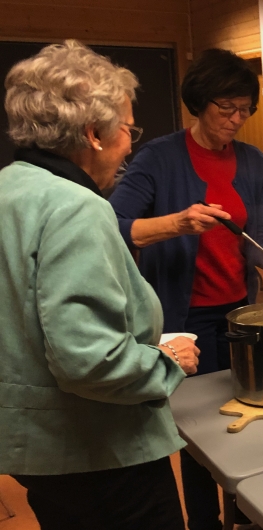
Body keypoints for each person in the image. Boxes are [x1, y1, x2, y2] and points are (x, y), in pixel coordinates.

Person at [0, 40, 199, 530]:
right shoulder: (76, 207)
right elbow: (89, 360)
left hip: (35, 446)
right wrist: (165, 361)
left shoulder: (10, 187)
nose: (130, 144)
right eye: (129, 129)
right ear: (93, 134)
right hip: (98, 452)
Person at [108, 48, 263, 530]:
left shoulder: (251, 161)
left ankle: (247, 514)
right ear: (199, 102)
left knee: (249, 412)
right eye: (226, 108)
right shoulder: (159, 157)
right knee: (197, 429)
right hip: (184, 318)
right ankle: (204, 521)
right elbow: (111, 225)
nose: (236, 119)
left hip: (239, 312)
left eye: (245, 110)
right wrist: (176, 223)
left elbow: (259, 236)